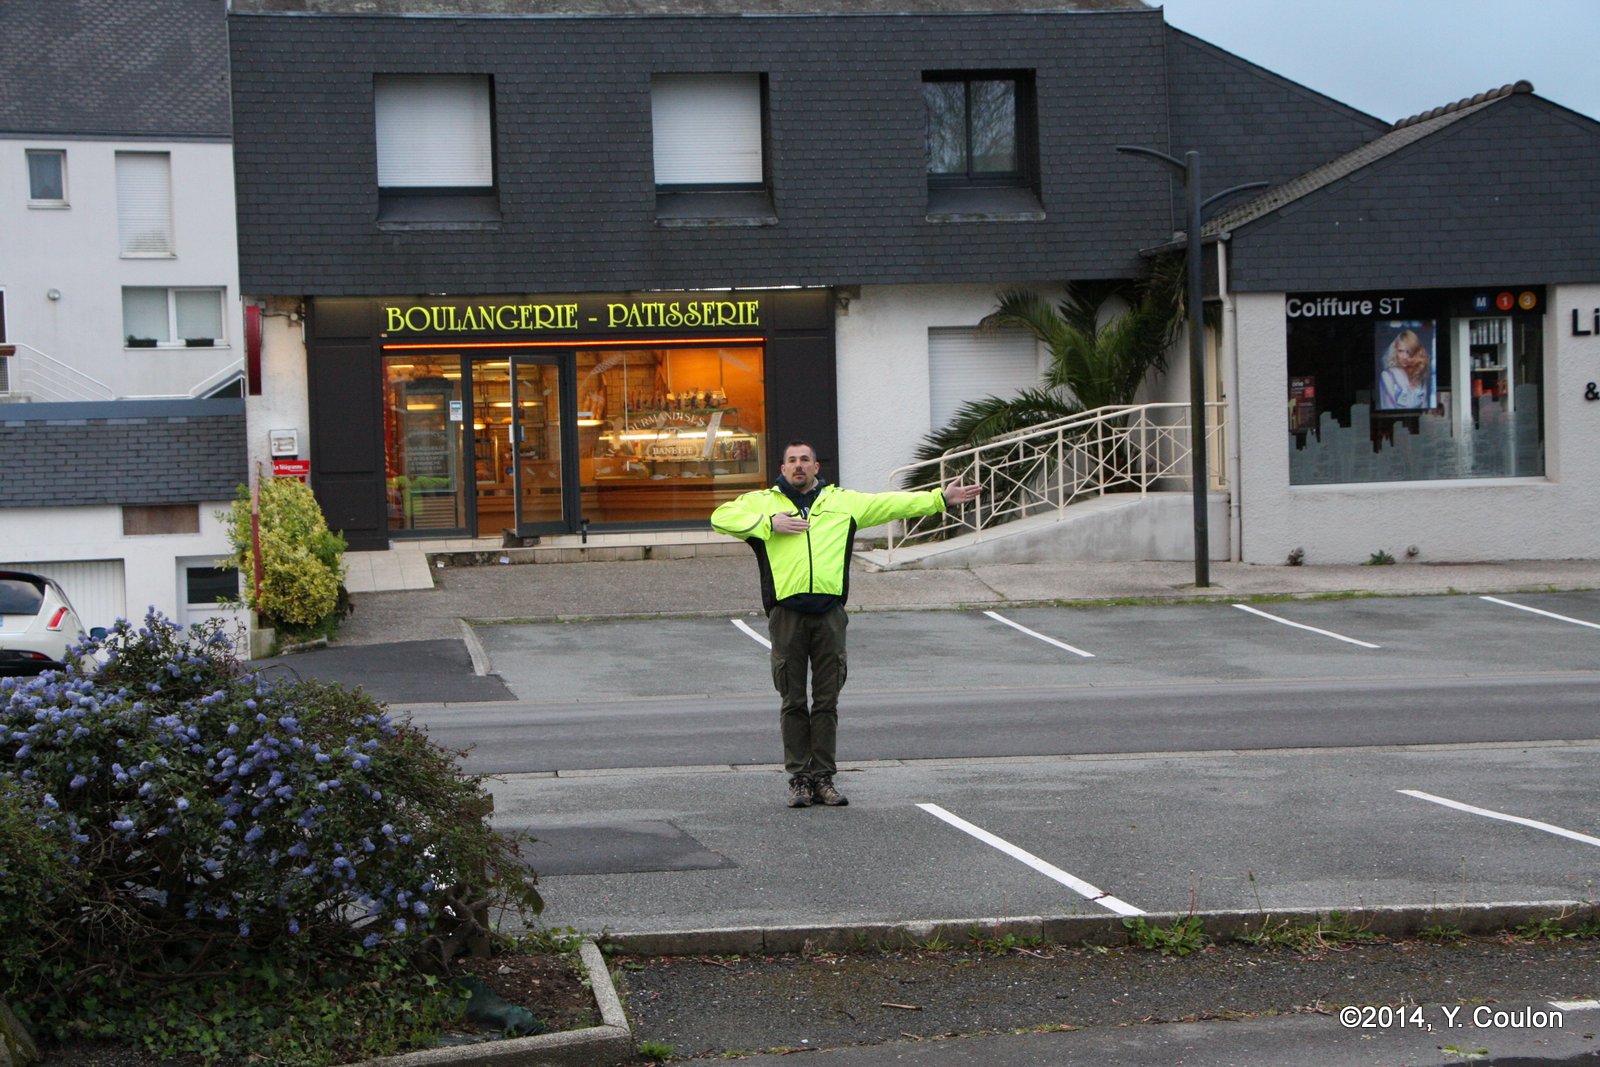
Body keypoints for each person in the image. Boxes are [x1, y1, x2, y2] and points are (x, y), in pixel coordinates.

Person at [711, 440, 983, 809]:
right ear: (783, 467)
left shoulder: (843, 502)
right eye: (792, 460)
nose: (798, 465)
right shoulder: (763, 503)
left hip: (829, 615)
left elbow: (890, 504)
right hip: (786, 615)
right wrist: (767, 524)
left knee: (827, 701)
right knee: (793, 701)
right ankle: (799, 779)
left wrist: (939, 499)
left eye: (805, 459)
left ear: (816, 467)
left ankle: (823, 778)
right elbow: (720, 517)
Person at [1377, 328, 1431, 409]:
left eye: (1408, 352)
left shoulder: (1420, 376)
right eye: (1400, 351)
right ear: (1395, 351)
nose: (1404, 357)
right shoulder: (1387, 376)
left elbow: (1425, 408)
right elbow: (1388, 409)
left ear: (1415, 352)